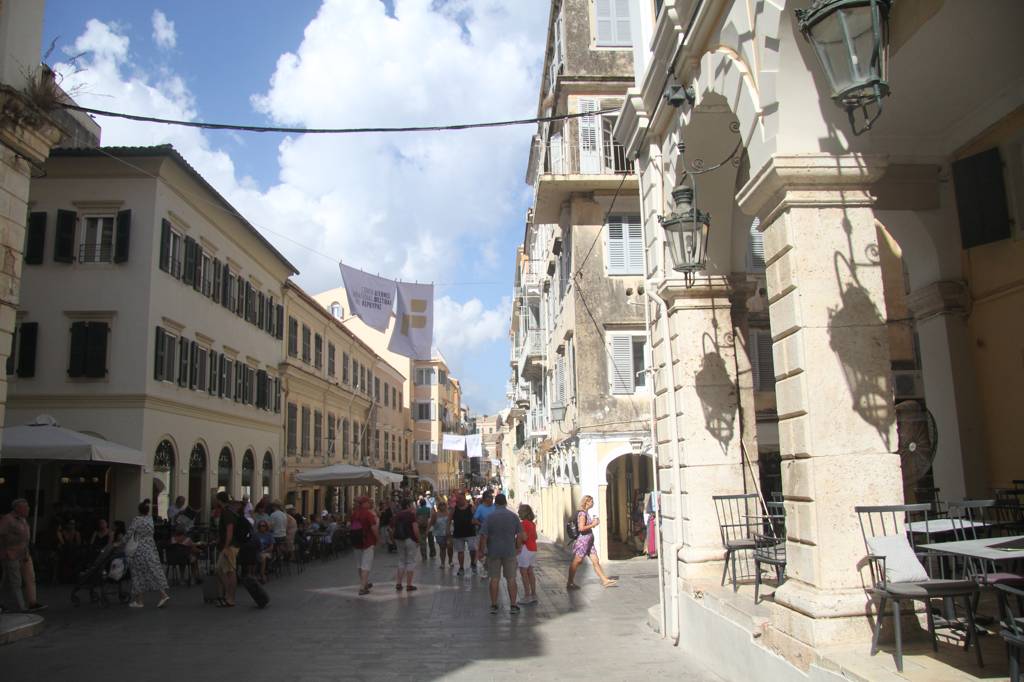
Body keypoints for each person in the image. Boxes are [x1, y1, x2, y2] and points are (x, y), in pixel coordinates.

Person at [478, 494, 526, 615]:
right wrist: (518, 547)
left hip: (493, 551)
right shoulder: (513, 516)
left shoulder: (489, 517)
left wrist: (482, 550)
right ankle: (513, 605)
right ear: (505, 503)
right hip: (509, 551)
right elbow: (520, 535)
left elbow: (483, 536)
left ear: (495, 504)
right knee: (511, 579)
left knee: (494, 579)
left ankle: (494, 605)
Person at [0, 498, 45, 612]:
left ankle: (32, 602)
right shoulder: (8, 519)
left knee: (29, 577)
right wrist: (4, 552)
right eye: (25, 507)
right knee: (15, 581)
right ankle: (20, 606)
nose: (28, 509)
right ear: (17, 508)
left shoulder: (23, 519)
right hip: (12, 553)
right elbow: (1, 535)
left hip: (24, 553)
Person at [567, 495, 617, 589]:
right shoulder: (582, 514)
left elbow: (586, 526)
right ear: (587, 502)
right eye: (591, 501)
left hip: (589, 543)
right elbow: (581, 528)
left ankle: (605, 580)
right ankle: (570, 582)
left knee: (596, 561)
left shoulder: (586, 513)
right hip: (583, 542)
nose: (593, 503)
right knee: (577, 561)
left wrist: (593, 523)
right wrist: (593, 524)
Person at [126, 500, 171, 608]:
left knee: (138, 574)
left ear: (139, 510)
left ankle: (141, 600)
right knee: (152, 571)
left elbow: (129, 533)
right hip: (151, 548)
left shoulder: (137, 520)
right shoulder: (150, 520)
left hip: (139, 549)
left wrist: (121, 542)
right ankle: (143, 599)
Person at [214, 491, 240, 607]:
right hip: (231, 545)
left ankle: (229, 596)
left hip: (229, 547)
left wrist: (225, 546)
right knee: (227, 570)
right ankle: (229, 596)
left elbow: (229, 531)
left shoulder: (226, 513)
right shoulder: (230, 512)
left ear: (219, 500)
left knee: (224, 571)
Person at [349, 496, 378, 595]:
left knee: (359, 565)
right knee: (366, 565)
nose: (370, 503)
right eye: (368, 502)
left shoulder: (354, 514)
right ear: (364, 503)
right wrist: (377, 539)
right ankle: (362, 588)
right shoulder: (368, 514)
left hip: (356, 543)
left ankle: (364, 583)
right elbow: (374, 528)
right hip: (367, 542)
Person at [391, 498, 419, 591]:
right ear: (408, 505)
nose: (413, 506)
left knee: (401, 560)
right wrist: (418, 539)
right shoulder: (411, 515)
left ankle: (398, 583)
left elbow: (393, 528)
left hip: (399, 539)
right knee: (411, 561)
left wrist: (393, 539)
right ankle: (409, 584)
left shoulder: (397, 515)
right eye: (412, 504)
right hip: (410, 539)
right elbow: (415, 529)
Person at [449, 491, 477, 576]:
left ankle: (473, 563)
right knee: (460, 551)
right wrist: (447, 530)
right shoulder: (454, 509)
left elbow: (476, 517)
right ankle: (461, 567)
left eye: (460, 499)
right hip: (458, 533)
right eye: (457, 499)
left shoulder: (471, 507)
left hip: (470, 532)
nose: (458, 500)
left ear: (464, 498)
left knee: (472, 549)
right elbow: (449, 519)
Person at [517, 504, 539, 604]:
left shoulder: (523, 523)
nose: (518, 512)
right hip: (533, 548)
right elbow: (535, 537)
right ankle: (533, 594)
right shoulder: (532, 523)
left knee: (523, 572)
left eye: (520, 511)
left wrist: (518, 546)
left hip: (525, 549)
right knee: (530, 571)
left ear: (524, 513)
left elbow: (524, 538)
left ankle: (527, 596)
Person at [472, 490, 496, 577]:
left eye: (492, 497)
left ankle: (489, 569)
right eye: (490, 497)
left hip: (494, 533)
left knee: (491, 552)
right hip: (483, 533)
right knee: (483, 552)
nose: (492, 499)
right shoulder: (480, 508)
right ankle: (485, 568)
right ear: (485, 499)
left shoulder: (495, 506)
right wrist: (482, 524)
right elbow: (474, 520)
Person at [429, 501, 452, 568]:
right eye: (441, 505)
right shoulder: (435, 514)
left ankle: (450, 561)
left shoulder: (449, 513)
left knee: (450, 547)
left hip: (449, 533)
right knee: (442, 548)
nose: (442, 506)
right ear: (438, 506)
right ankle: (442, 563)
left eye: (443, 505)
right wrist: (427, 531)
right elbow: (431, 523)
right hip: (439, 533)